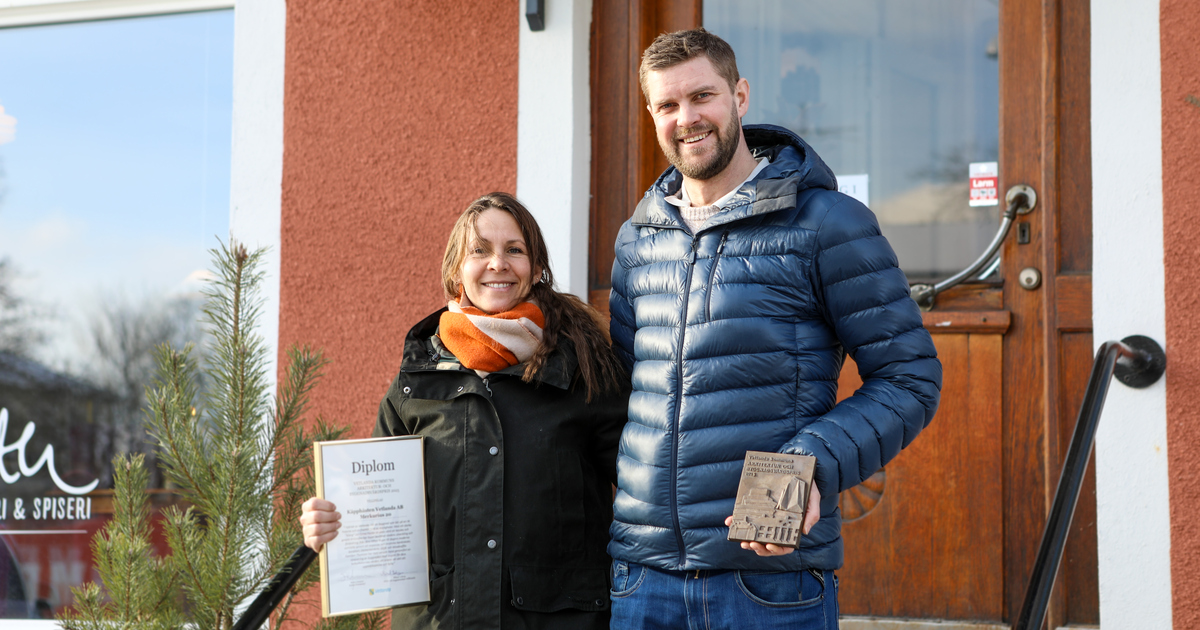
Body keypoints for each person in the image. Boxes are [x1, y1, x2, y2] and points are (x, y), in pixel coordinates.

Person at [606, 28, 943, 629]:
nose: (687, 118)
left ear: (739, 95)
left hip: (766, 579)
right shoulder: (639, 238)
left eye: (702, 96)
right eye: (667, 105)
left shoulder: (825, 223)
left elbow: (908, 377)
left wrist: (808, 462)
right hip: (642, 578)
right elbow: (628, 393)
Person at [301, 192, 629, 630]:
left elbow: (641, 489)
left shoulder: (582, 370)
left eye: (515, 250)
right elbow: (376, 510)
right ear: (457, 269)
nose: (498, 263)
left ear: (536, 270)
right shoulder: (414, 383)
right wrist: (332, 525)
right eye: (480, 250)